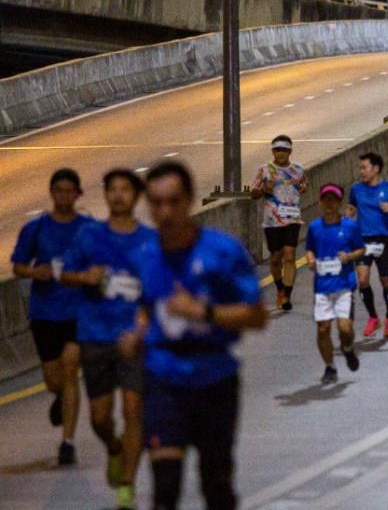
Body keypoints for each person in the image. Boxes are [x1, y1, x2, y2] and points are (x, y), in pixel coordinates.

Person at [118, 162, 266, 510]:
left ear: (189, 200)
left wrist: (205, 312)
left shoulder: (222, 251)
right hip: (164, 380)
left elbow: (256, 315)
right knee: (165, 487)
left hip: (214, 379)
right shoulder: (145, 256)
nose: (165, 212)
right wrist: (137, 332)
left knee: (216, 484)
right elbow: (145, 308)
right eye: (156, 203)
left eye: (173, 201)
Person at [59, 170, 152, 508]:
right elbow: (64, 274)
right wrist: (84, 276)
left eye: (125, 189)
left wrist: (142, 326)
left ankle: (126, 486)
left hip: (132, 340)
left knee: (134, 411)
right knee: (100, 418)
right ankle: (114, 448)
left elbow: (158, 292)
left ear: (136, 196)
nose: (118, 195)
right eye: (112, 189)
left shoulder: (149, 241)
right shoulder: (89, 236)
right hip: (94, 335)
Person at [10, 168, 91, 466]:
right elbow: (18, 266)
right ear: (52, 192)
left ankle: (67, 443)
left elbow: (100, 260)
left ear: (78, 194)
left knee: (70, 369)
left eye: (70, 190)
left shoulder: (87, 228)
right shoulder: (36, 229)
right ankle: (59, 397)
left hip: (77, 311)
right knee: (54, 379)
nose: (65, 196)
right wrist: (35, 272)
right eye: (60, 190)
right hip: (45, 312)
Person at [304, 184, 364, 384]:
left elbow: (361, 250)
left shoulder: (349, 226)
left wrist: (348, 256)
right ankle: (330, 367)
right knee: (323, 328)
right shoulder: (314, 227)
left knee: (345, 329)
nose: (329, 203)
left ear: (339, 203)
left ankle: (347, 348)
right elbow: (309, 249)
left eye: (333, 200)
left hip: (343, 285)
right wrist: (310, 260)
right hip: (322, 285)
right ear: (320, 202)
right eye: (325, 199)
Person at [347, 152, 388, 338]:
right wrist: (346, 217)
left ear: (376, 168)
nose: (361, 171)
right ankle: (373, 318)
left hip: (382, 240)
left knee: (386, 281)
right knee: (363, 280)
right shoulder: (356, 189)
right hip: (361, 241)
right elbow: (351, 207)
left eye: (364, 167)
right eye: (360, 168)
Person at [250, 135, 307, 311]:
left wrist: (304, 188)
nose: (280, 153)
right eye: (277, 150)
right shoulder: (264, 170)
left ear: (290, 151)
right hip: (272, 221)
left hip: (292, 218)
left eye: (283, 150)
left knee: (290, 255)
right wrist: (262, 190)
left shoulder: (298, 169)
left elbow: (304, 185)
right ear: (272, 151)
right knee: (276, 258)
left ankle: (287, 296)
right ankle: (280, 289)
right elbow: (253, 194)